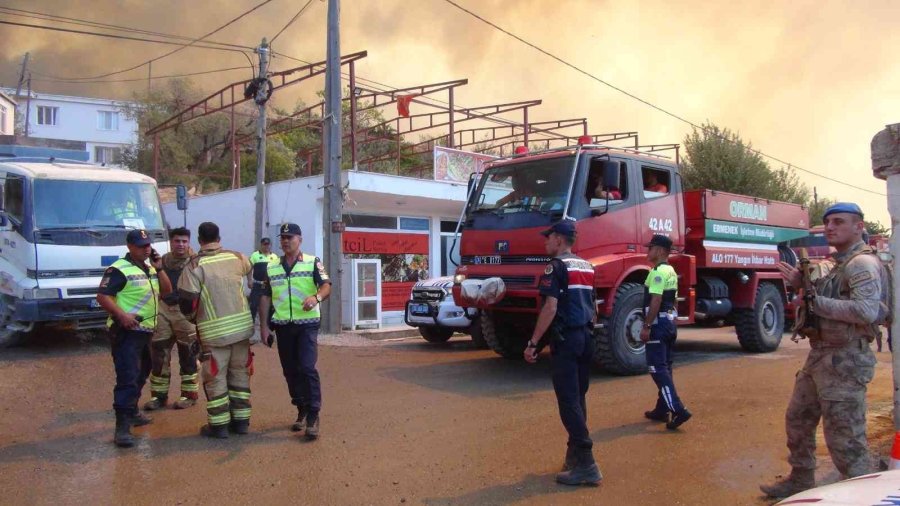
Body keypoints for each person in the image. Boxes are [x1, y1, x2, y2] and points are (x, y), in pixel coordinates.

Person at [761, 202, 887, 498]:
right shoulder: (838, 264)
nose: (830, 227)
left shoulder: (862, 264)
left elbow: (867, 311)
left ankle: (860, 495)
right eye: (827, 221)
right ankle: (801, 479)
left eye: (839, 222)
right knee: (798, 419)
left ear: (859, 227)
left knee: (844, 437)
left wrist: (814, 303)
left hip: (846, 358)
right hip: (820, 355)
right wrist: (800, 286)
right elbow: (825, 297)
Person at [523, 220, 602, 486]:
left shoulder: (554, 267)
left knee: (568, 402)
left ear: (559, 239)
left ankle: (587, 464)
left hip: (567, 340)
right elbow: (595, 307)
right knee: (578, 399)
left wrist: (534, 342)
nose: (545, 242)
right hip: (586, 338)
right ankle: (574, 457)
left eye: (548, 238)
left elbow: (550, 308)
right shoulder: (587, 266)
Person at [96, 229, 172, 448]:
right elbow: (102, 296)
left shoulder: (149, 268)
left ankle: (133, 411)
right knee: (128, 377)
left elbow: (166, 292)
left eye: (148, 245)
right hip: (127, 332)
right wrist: (122, 315)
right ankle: (122, 428)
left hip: (147, 331)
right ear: (129, 246)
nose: (146, 249)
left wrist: (160, 269)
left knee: (142, 373)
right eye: (141, 246)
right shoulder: (118, 269)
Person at [178, 222, 254, 439]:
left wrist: (194, 318)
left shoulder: (194, 266)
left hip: (214, 335)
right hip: (242, 332)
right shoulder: (238, 257)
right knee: (240, 376)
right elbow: (251, 278)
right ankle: (241, 423)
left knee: (215, 378)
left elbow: (187, 303)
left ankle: (219, 427)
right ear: (219, 238)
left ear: (199, 240)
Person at [259, 223, 332, 441]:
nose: (285, 241)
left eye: (289, 237)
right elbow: (265, 296)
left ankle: (313, 414)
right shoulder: (271, 267)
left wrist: (316, 297)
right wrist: (263, 326)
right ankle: (301, 408)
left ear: (299, 239)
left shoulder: (312, 262)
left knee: (307, 367)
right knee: (290, 371)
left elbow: (326, 285)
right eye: (282, 238)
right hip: (283, 325)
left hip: (307, 324)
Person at [144, 227, 199, 411]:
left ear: (189, 242)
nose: (181, 245)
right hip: (164, 310)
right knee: (159, 353)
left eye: (184, 241)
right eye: (177, 241)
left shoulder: (197, 262)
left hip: (186, 314)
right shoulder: (162, 261)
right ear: (171, 242)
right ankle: (158, 397)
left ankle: (189, 395)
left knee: (188, 354)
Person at [640, 234, 692, 429]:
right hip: (668, 323)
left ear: (660, 251)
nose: (648, 251)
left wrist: (646, 326)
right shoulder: (670, 270)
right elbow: (672, 300)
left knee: (657, 368)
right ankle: (662, 409)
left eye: (651, 248)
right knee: (666, 367)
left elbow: (656, 300)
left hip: (658, 325)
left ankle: (678, 409)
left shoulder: (658, 272)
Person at [248, 237, 279, 323]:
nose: (267, 247)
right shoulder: (255, 255)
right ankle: (251, 323)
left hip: (269, 285)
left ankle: (269, 325)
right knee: (253, 305)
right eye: (265, 245)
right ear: (261, 245)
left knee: (270, 306)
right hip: (257, 284)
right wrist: (249, 280)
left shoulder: (274, 256)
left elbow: (276, 270)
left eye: (268, 245)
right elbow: (249, 268)